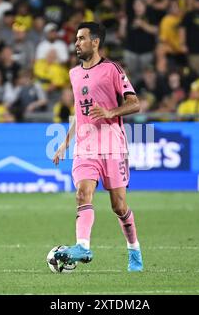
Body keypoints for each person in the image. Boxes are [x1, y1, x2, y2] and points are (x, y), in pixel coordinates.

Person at [52, 22, 144, 272]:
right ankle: (82, 245)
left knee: (119, 206)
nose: (76, 44)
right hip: (85, 147)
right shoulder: (73, 74)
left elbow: (135, 103)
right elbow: (79, 112)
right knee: (82, 193)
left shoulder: (112, 69)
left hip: (113, 146)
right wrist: (65, 143)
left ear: (95, 42)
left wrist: (110, 111)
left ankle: (134, 250)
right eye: (76, 39)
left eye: (81, 38)